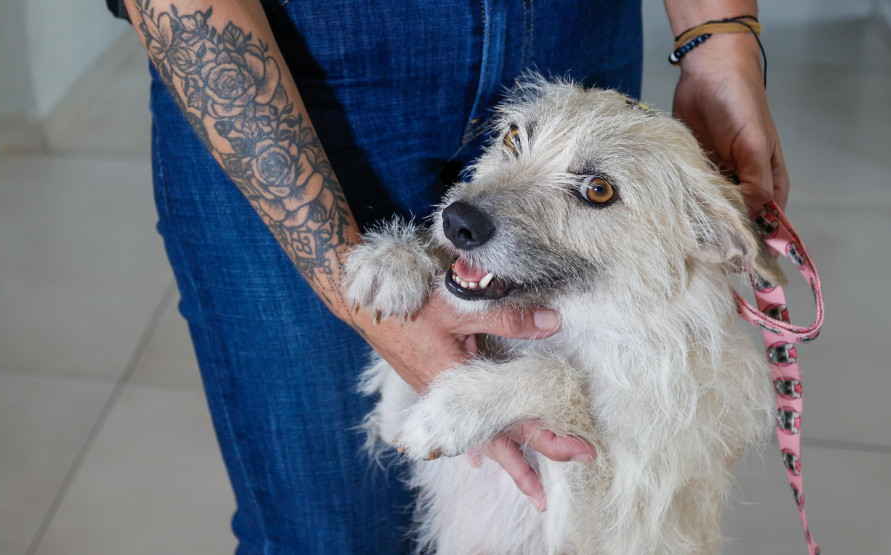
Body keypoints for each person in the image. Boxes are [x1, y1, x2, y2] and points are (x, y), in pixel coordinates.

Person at [108, 0, 790, 552]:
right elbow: (399, 420)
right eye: (515, 143)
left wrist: (719, 38)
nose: (479, 206)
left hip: (571, 33)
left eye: (596, 192)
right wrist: (364, 266)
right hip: (293, 63)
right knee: (328, 535)